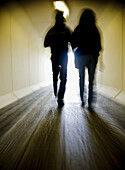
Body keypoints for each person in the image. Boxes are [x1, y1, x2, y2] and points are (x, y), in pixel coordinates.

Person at [71, 8, 102, 112]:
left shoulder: (78, 28)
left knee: (81, 78)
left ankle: (82, 99)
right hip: (92, 56)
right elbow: (99, 45)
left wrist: (75, 52)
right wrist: (97, 53)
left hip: (81, 56)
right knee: (91, 80)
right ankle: (90, 103)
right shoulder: (95, 28)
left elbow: (73, 42)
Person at [44, 10, 71, 106]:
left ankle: (56, 92)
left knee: (55, 76)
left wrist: (53, 39)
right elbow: (73, 40)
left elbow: (45, 44)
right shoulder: (66, 30)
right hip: (63, 57)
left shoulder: (51, 30)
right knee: (63, 77)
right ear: (63, 19)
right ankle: (60, 97)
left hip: (54, 56)